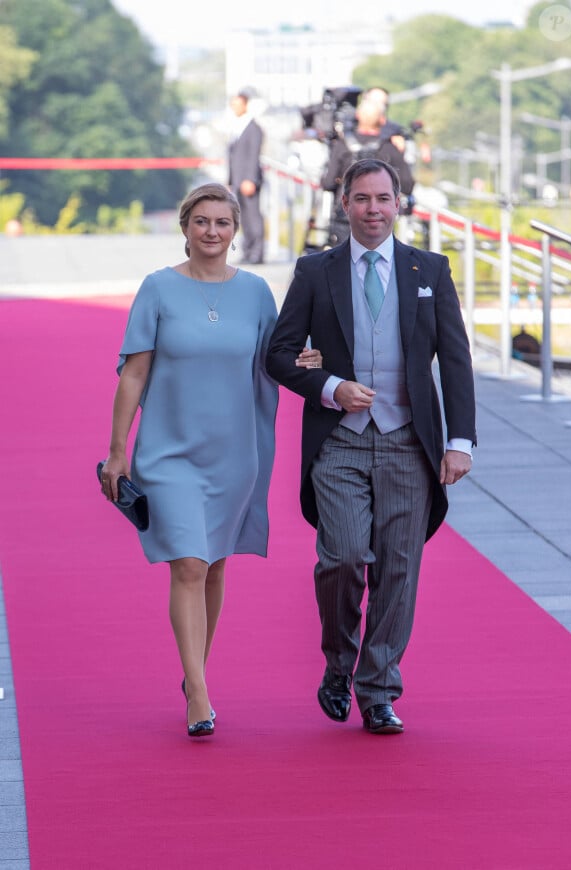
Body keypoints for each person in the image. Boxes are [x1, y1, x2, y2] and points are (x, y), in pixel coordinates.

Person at [99, 183, 321, 739]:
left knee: (216, 563)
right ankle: (198, 689)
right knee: (190, 563)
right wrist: (117, 452)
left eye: (222, 222)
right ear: (185, 226)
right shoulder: (157, 289)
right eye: (202, 221)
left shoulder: (255, 293)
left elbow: (274, 362)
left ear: (235, 229)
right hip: (169, 452)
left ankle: (193, 667)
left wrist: (307, 361)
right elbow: (134, 373)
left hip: (234, 452)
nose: (212, 232)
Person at [266, 159, 476, 735]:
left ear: (400, 203)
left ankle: (378, 689)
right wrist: (331, 386)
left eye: (383, 198)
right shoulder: (315, 271)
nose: (373, 209)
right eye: (362, 199)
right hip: (340, 443)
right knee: (341, 556)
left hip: (411, 443)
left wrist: (459, 442)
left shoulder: (429, 268)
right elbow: (279, 354)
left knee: (399, 571)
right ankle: (339, 662)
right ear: (344, 204)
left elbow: (455, 359)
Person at [320, 89, 415, 245]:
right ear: (382, 120)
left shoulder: (342, 145)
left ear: (358, 116)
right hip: (380, 219)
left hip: (345, 218)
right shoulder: (390, 147)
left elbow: (328, 182)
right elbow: (407, 184)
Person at [227, 89, 265, 264]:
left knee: (253, 216)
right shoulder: (236, 127)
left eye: (237, 104)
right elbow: (233, 157)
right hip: (238, 180)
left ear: (245, 105)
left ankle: (257, 252)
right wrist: (231, 180)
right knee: (243, 217)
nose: (234, 108)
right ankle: (248, 251)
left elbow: (253, 156)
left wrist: (250, 179)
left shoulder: (253, 128)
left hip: (249, 180)